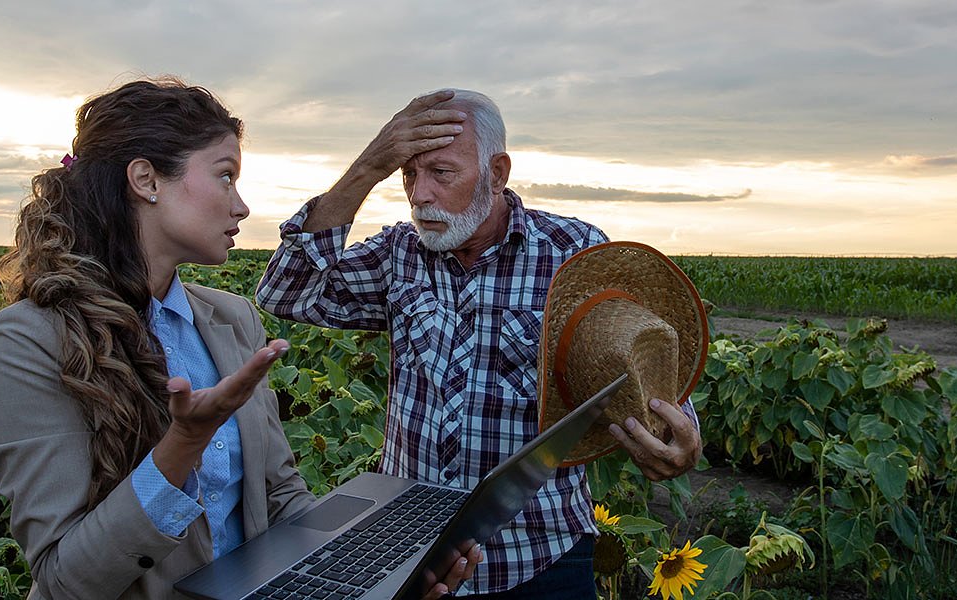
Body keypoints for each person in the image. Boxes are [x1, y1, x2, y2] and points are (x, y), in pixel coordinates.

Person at [0, 79, 476, 599]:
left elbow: (279, 499)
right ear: (147, 180)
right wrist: (183, 444)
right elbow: (64, 579)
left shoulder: (231, 319)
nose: (241, 207)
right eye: (225, 177)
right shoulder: (30, 339)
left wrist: (375, 579)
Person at [255, 89, 704, 598]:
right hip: (415, 553)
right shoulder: (397, 254)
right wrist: (367, 167)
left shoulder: (569, 252)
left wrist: (677, 434)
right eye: (407, 174)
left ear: (497, 172)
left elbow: (636, 356)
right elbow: (285, 293)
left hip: (538, 555)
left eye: (441, 173)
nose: (420, 193)